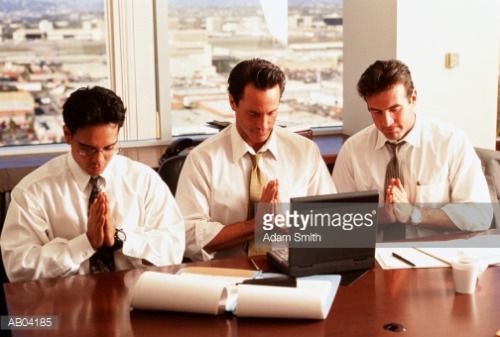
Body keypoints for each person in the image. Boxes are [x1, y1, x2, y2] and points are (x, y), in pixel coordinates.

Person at [0, 86, 185, 282]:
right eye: (86, 149)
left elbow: (172, 249)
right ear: (67, 135)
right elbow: (18, 268)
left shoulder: (144, 181)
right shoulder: (33, 190)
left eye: (109, 148)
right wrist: (84, 243)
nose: (99, 160)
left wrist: (121, 239)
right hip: (64, 303)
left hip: (136, 300)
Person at [176, 58, 336, 261]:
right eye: (253, 114)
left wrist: (290, 224)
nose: (263, 124)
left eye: (271, 112)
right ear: (232, 102)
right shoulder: (203, 159)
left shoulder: (305, 152)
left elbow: (331, 225)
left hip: (294, 269)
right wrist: (255, 226)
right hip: (227, 274)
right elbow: (185, 236)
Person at [332, 59, 492, 236]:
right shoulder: (353, 150)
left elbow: (480, 215)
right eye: (376, 112)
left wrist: (414, 214)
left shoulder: (451, 142)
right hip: (372, 256)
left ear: (413, 98)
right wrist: (380, 216)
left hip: (433, 257)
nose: (387, 121)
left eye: (395, 109)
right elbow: (335, 220)